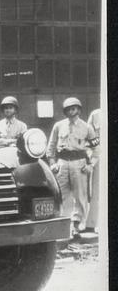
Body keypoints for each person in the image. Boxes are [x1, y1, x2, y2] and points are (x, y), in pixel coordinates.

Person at [46, 97, 98, 238]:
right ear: (65, 111)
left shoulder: (87, 127)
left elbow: (96, 148)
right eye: (68, 109)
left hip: (79, 163)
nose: (71, 111)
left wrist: (90, 165)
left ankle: (76, 226)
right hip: (62, 162)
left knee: (80, 196)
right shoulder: (58, 126)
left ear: (79, 110)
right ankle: (61, 224)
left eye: (74, 108)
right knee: (60, 194)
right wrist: (52, 163)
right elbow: (51, 147)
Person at [83, 108, 101, 233]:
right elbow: (88, 140)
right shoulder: (96, 114)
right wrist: (91, 158)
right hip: (100, 158)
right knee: (96, 192)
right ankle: (91, 224)